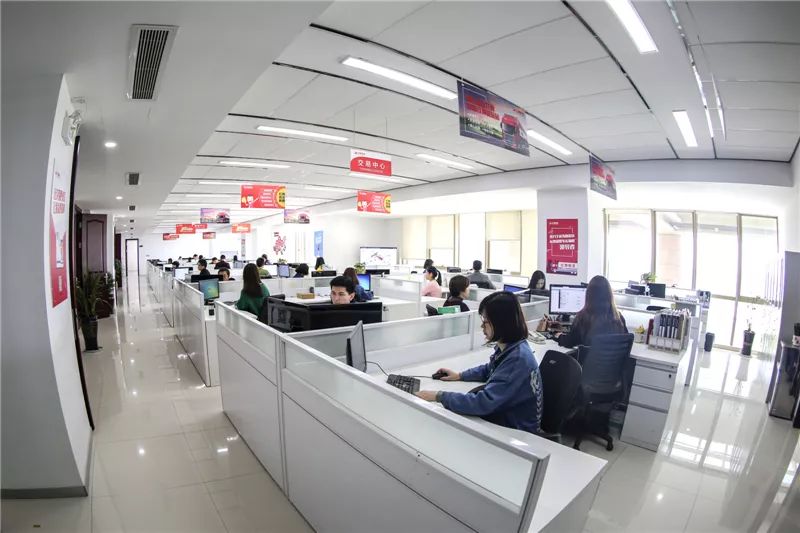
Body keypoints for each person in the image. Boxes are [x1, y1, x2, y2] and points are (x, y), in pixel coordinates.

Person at [416, 291, 543, 434]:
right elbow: (490, 369)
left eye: (486, 321)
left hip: (516, 432)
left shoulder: (517, 360)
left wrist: (438, 396)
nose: (482, 326)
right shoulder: (513, 347)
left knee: (441, 427)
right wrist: (460, 375)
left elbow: (482, 403)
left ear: (501, 323)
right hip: (508, 416)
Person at [555, 275, 627, 348]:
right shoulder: (618, 317)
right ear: (609, 295)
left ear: (589, 295)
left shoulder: (583, 318)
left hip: (589, 356)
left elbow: (569, 342)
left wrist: (559, 336)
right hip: (613, 356)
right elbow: (626, 341)